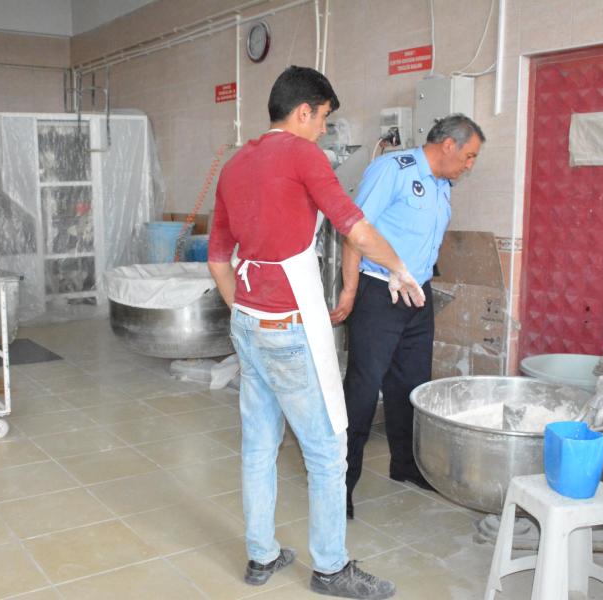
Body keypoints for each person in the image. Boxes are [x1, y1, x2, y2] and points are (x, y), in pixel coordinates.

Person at [208, 66, 426, 600]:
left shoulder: (234, 164)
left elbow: (217, 258)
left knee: (259, 445)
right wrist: (399, 268)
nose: (324, 130)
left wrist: (247, 314)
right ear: (303, 111)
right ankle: (330, 568)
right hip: (288, 325)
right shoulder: (303, 156)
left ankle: (261, 555)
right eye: (324, 118)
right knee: (328, 451)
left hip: (248, 323)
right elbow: (355, 228)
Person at [330, 114, 485, 519]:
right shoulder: (392, 170)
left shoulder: (442, 184)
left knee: (412, 385)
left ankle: (407, 465)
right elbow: (354, 230)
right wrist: (349, 290)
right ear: (448, 145)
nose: (470, 165)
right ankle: (340, 483)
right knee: (363, 389)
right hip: (379, 291)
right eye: (469, 156)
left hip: (417, 294)